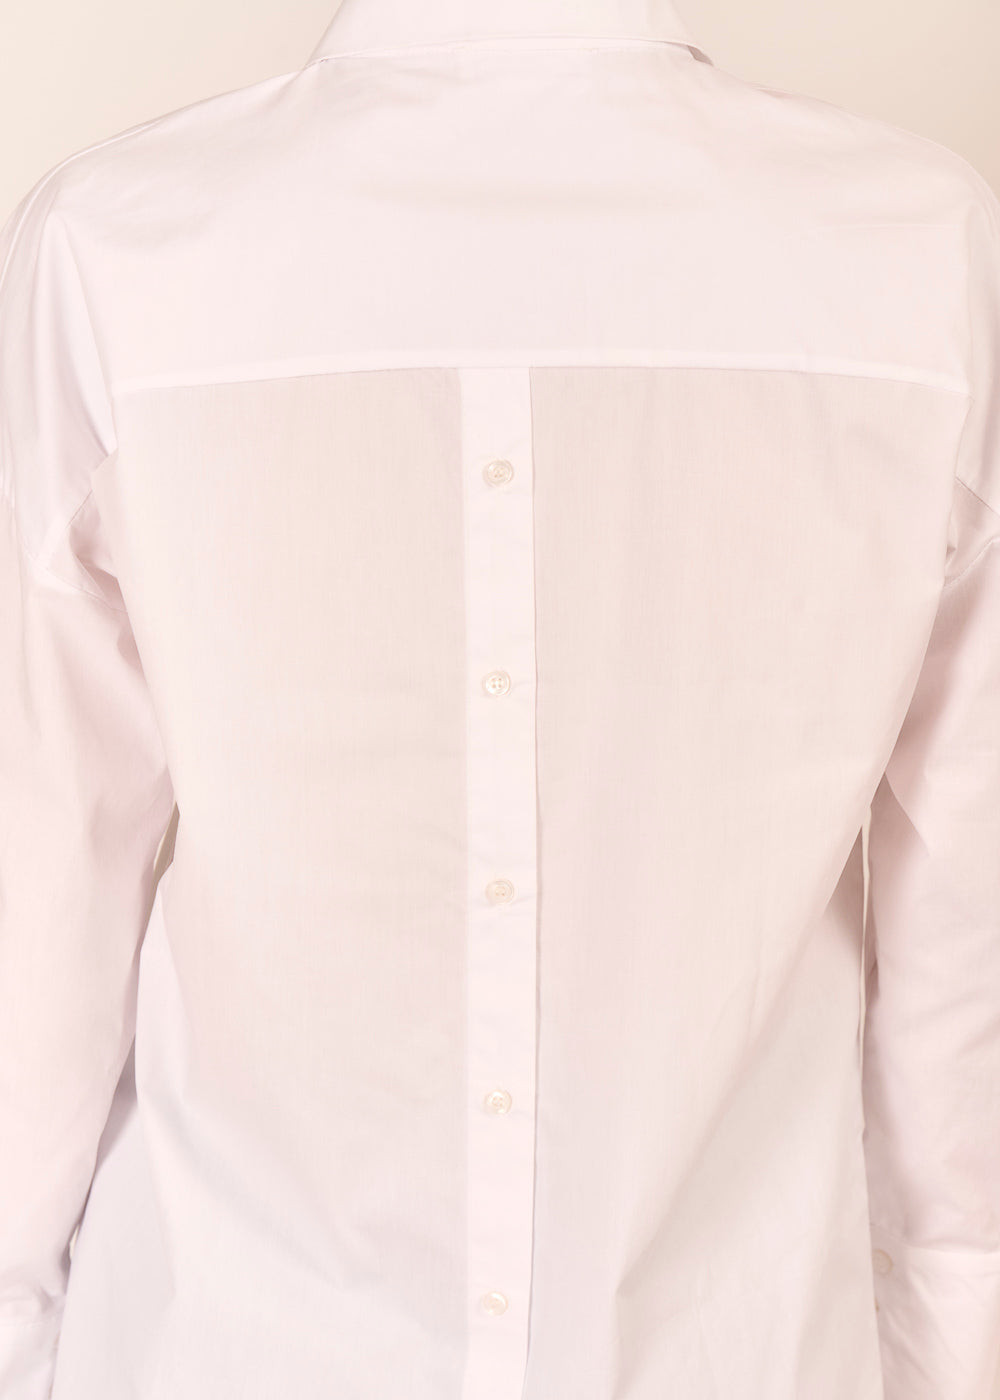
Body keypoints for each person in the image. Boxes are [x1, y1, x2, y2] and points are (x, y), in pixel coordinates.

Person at [1, 2, 999, 1396]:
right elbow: (969, 955)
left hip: (217, 1345)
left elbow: (41, 893)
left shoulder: (118, 249)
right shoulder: (921, 253)